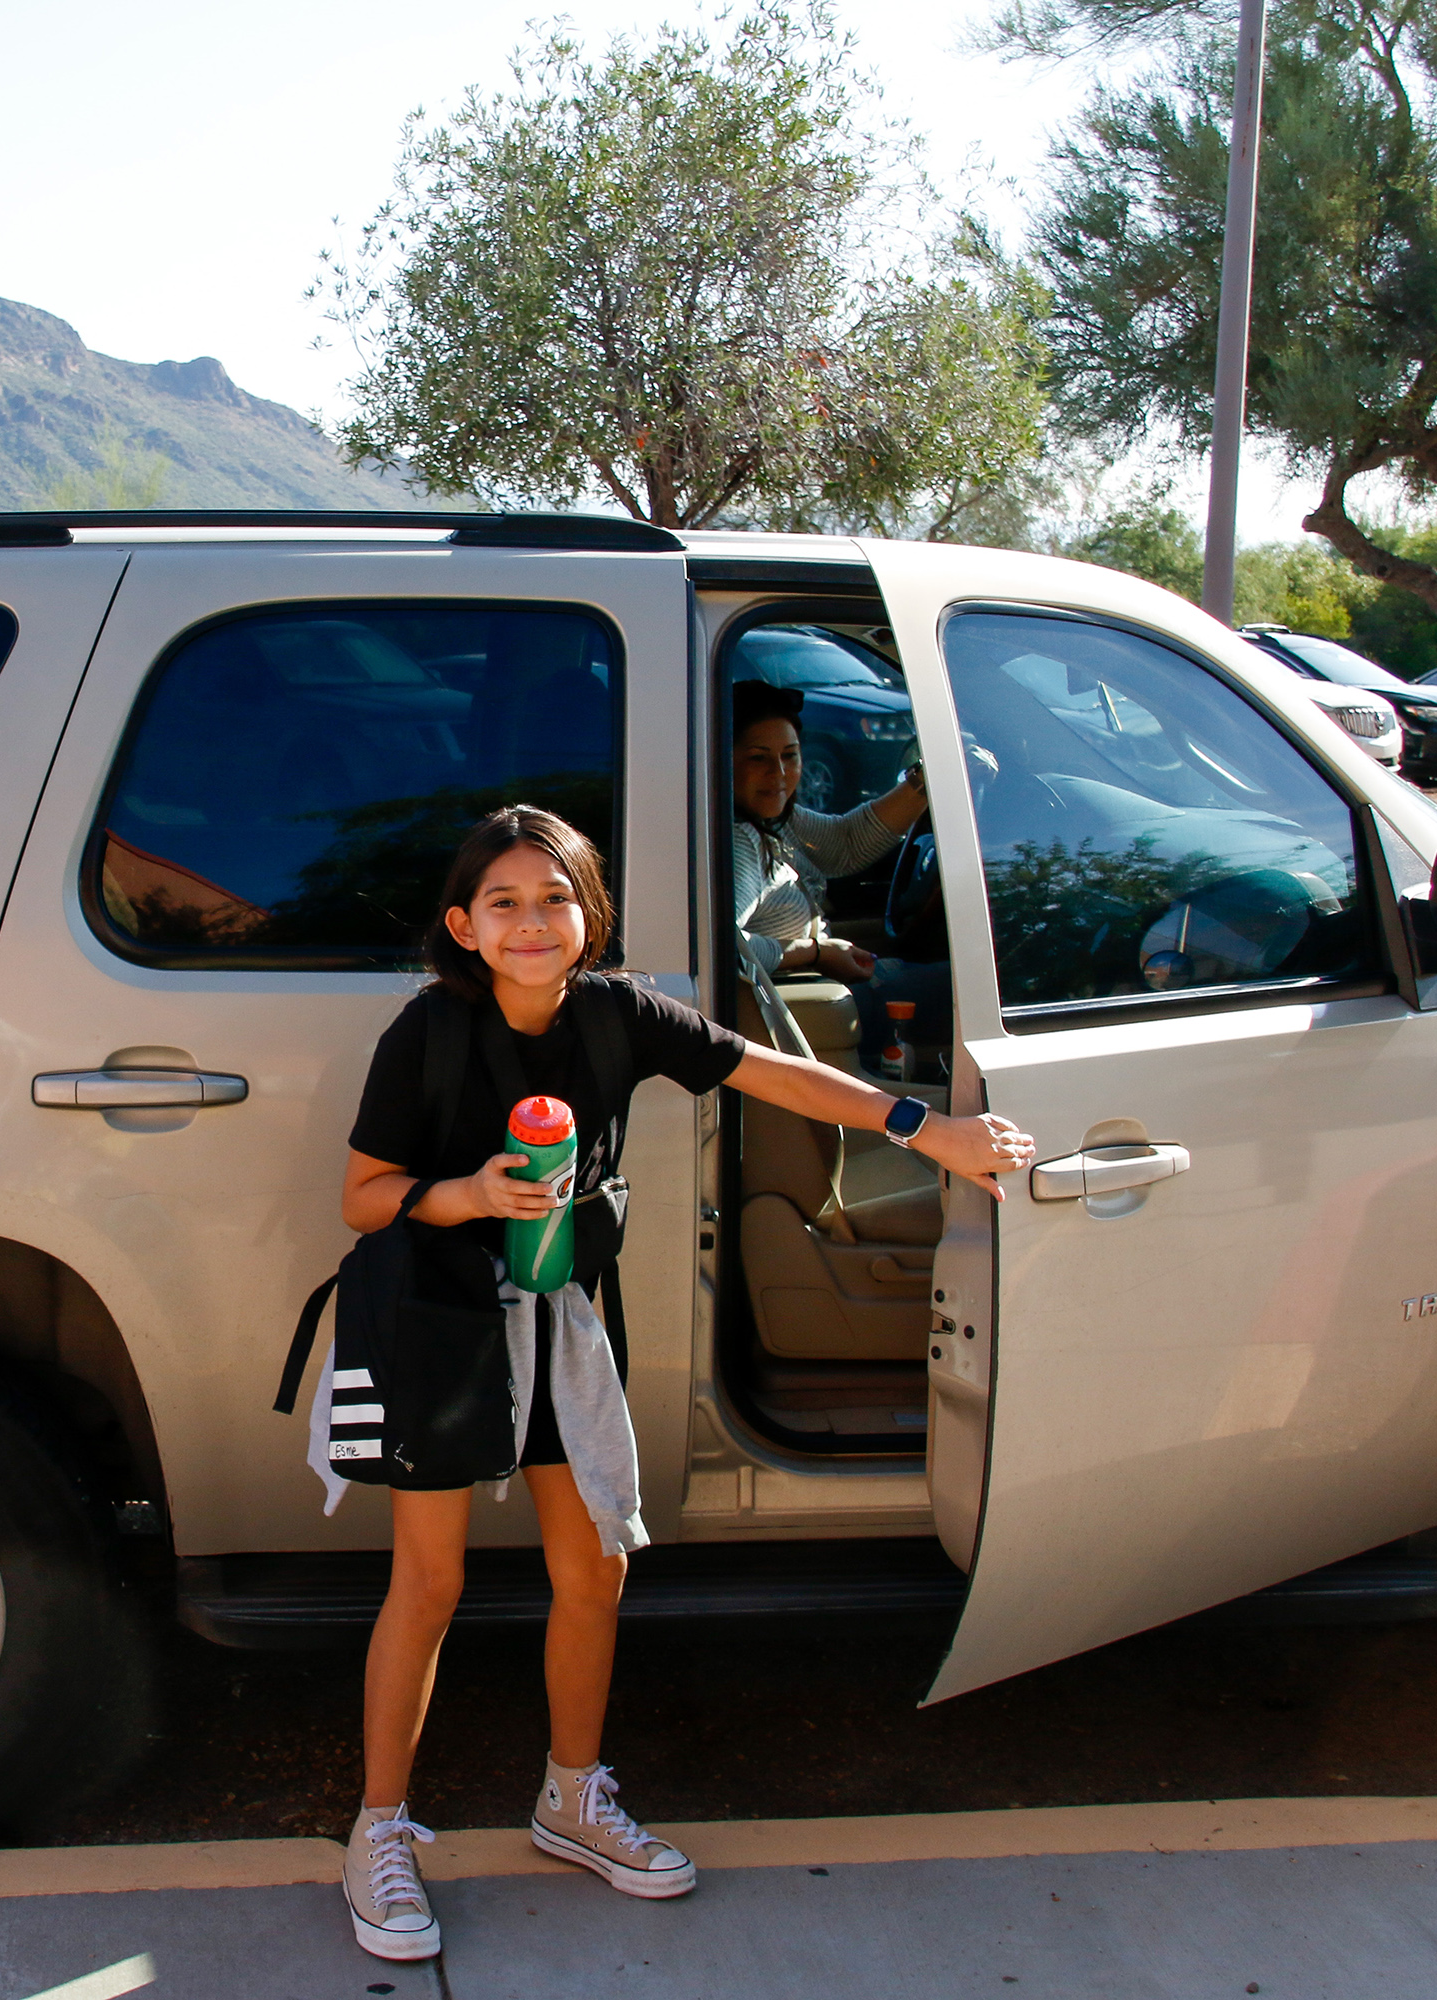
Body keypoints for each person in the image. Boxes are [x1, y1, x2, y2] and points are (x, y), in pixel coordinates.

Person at [329, 805, 1034, 1960]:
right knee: (431, 1580)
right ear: (462, 925)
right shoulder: (427, 1033)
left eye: (555, 898)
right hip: (442, 1324)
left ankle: (571, 1796)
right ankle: (379, 1828)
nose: (531, 920)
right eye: (502, 902)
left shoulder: (616, 1013)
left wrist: (929, 1127)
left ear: (588, 915)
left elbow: (774, 1073)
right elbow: (364, 1195)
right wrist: (465, 1195)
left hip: (560, 1319)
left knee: (595, 1564)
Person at [730, 681, 928, 986]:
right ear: (720, 758)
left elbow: (846, 843)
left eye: (790, 755)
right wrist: (817, 953)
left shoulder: (776, 818)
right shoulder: (739, 842)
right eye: (759, 757)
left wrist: (924, 783)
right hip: (797, 1011)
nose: (779, 773)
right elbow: (724, 947)